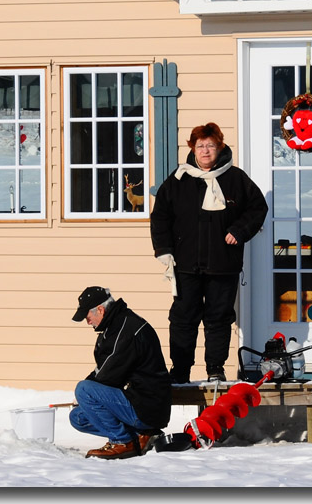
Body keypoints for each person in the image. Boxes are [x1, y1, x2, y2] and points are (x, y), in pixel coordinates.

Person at [150, 123, 268, 383]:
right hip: (185, 265)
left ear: (220, 148)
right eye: (200, 145)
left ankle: (215, 369)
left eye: (211, 146)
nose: (205, 151)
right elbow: (160, 217)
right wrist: (164, 250)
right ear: (192, 148)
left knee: (218, 318)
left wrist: (239, 230)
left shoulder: (236, 179)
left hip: (223, 264)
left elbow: (258, 208)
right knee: (183, 319)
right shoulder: (178, 179)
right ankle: (180, 370)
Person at [68, 286, 172, 459]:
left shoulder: (127, 328)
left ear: (100, 310)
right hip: (135, 400)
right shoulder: (114, 326)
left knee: (84, 389)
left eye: (88, 317)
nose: (88, 322)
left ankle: (123, 442)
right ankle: (141, 435)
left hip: (147, 405)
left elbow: (109, 376)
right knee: (78, 417)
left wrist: (85, 395)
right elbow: (103, 369)